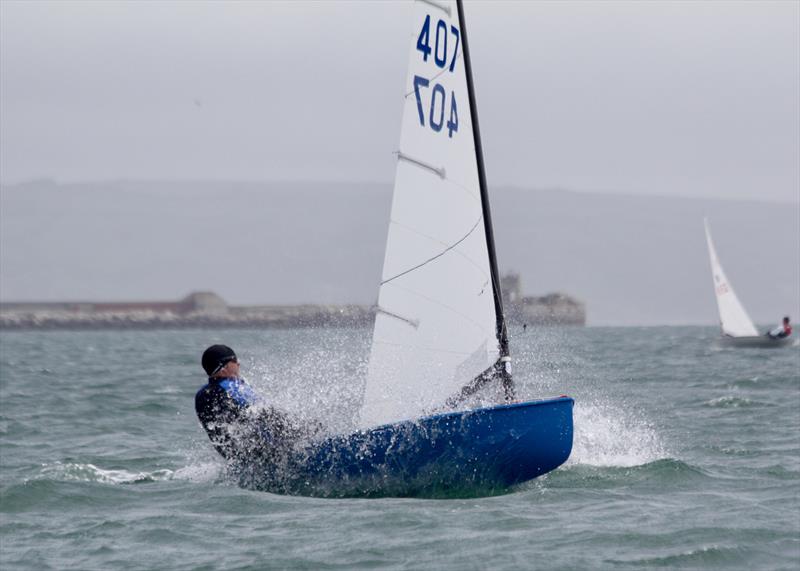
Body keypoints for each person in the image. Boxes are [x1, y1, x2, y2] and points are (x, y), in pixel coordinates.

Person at [195, 344, 317, 462]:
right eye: (234, 360)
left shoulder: (201, 394)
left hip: (237, 457)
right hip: (266, 452)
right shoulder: (230, 387)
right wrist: (304, 428)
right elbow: (260, 411)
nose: (238, 363)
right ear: (224, 367)